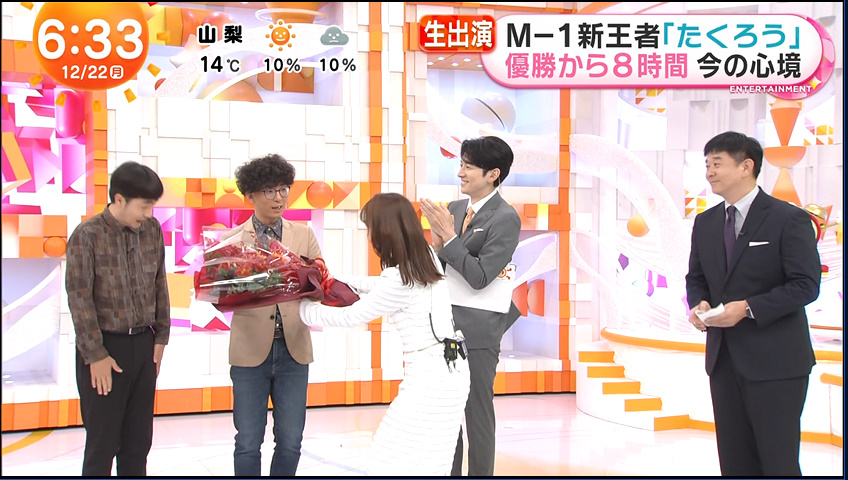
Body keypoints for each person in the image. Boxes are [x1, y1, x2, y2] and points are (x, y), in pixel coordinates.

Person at [299, 193, 470, 476]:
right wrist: (336, 280)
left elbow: (350, 316)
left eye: (370, 228)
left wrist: (302, 308)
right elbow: (380, 285)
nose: (369, 236)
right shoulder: (426, 257)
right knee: (431, 460)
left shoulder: (399, 278)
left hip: (430, 378)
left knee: (388, 456)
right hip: (452, 370)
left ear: (384, 230)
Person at [685, 131, 821, 476]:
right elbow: (696, 277)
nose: (709, 172)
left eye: (717, 163)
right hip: (723, 361)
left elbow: (806, 286)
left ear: (746, 166)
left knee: (778, 462)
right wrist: (699, 303)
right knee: (734, 461)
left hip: (777, 363)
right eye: (707, 164)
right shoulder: (705, 222)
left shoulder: (788, 219)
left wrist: (747, 308)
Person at [419, 136, 522, 476]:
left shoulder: (505, 218)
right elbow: (441, 269)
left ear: (493, 174)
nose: (460, 172)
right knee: (446, 414)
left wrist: (449, 238)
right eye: (461, 164)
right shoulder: (454, 209)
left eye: (469, 166)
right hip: (444, 326)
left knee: (476, 412)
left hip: (478, 331)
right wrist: (436, 247)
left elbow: (480, 277)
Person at [65, 161, 170, 476]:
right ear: (120, 199)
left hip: (144, 344)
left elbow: (159, 283)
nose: (148, 214)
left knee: (138, 443)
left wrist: (161, 336)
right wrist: (95, 355)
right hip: (105, 349)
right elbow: (79, 298)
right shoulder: (87, 235)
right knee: (103, 444)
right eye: (144, 206)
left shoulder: (152, 230)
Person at [225, 153, 321, 477]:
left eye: (283, 189)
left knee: (291, 441)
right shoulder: (232, 241)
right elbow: (220, 296)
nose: (279, 198)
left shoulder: (303, 234)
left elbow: (320, 284)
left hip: (294, 349)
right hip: (249, 352)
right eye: (269, 191)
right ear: (250, 195)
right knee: (248, 442)